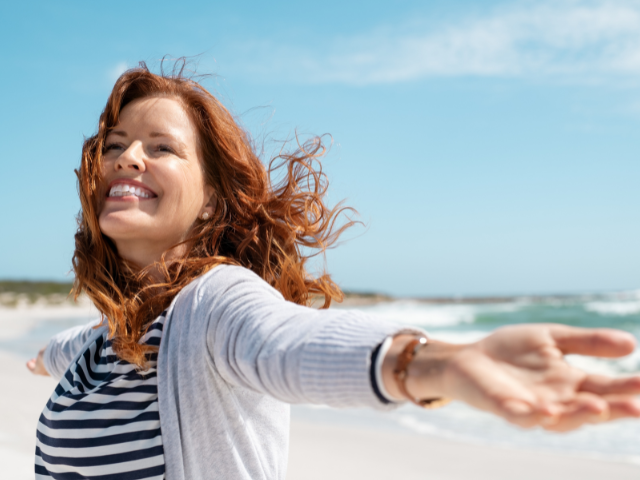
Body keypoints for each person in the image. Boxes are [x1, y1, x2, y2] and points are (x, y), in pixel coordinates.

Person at [27, 62, 640, 480]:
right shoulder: (109, 336)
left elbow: (289, 343)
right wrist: (41, 356)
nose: (128, 157)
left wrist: (430, 364)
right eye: (115, 144)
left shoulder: (213, 307)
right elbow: (70, 345)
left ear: (212, 199)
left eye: (161, 147)